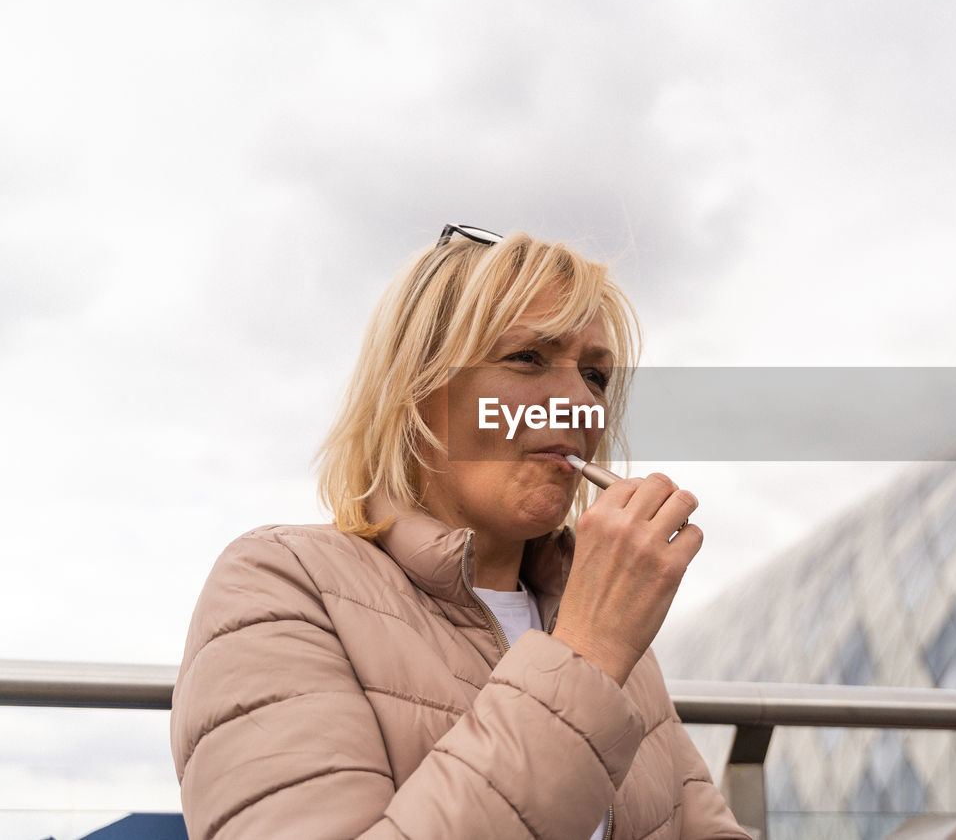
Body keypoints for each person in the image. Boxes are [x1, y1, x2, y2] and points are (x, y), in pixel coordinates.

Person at [169, 225, 749, 840]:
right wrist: (586, 656)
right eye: (527, 358)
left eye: (596, 377)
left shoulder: (597, 616)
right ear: (418, 391)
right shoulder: (280, 586)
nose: (580, 404)